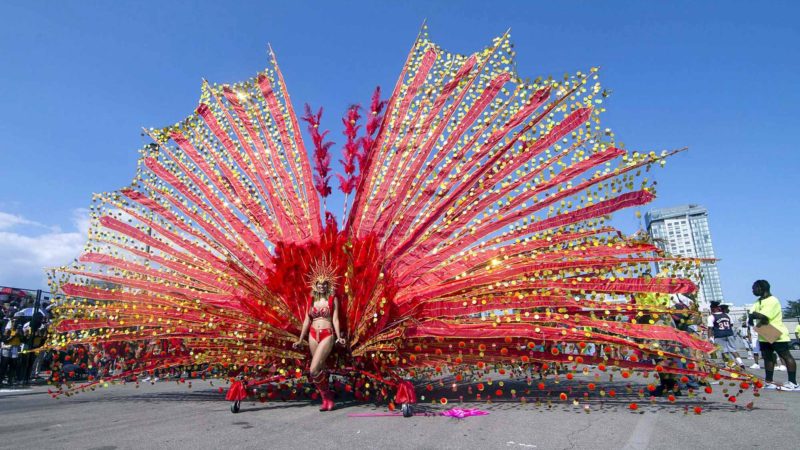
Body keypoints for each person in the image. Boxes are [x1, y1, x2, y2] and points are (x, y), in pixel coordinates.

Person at [293, 260, 345, 411]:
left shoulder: (332, 298)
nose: (321, 286)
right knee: (319, 368)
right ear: (315, 284)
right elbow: (306, 320)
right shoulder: (311, 299)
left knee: (313, 369)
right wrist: (301, 339)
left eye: (324, 283)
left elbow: (335, 318)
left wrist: (338, 336)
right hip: (312, 335)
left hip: (327, 334)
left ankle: (327, 394)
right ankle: (326, 399)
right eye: (319, 283)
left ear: (328, 284)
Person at [747, 280, 797, 390]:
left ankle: (793, 382)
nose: (753, 290)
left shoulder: (773, 300)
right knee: (767, 357)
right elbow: (752, 315)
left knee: (785, 355)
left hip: (775, 331)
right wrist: (753, 315)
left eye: (754, 288)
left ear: (761, 288)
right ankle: (769, 381)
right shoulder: (758, 301)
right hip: (764, 331)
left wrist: (753, 315)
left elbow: (763, 316)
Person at [707, 301, 745, 369]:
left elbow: (710, 328)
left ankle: (728, 365)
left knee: (724, 351)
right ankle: (741, 363)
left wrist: (710, 338)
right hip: (729, 334)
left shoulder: (711, 317)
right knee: (733, 350)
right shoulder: (727, 315)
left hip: (719, 335)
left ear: (712, 309)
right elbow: (731, 324)